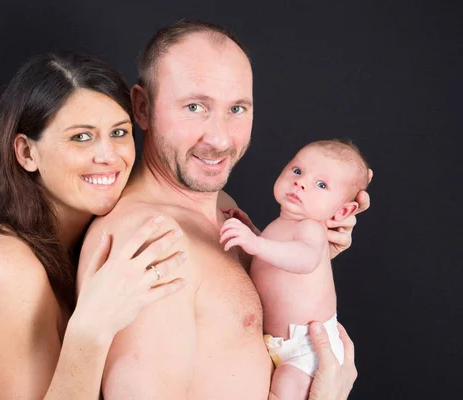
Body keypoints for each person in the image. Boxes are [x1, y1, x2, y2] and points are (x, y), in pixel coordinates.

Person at [77, 21, 370, 399]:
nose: (218, 138)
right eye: (195, 107)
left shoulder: (223, 208)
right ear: (143, 107)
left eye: (236, 109)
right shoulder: (149, 243)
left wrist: (316, 253)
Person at [0, 52, 189, 400]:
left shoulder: (89, 245)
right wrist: (91, 330)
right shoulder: (2, 265)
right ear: (27, 153)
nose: (109, 156)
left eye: (119, 132)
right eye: (81, 137)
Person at [220, 139, 370, 399]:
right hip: (284, 342)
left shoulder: (311, 229)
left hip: (307, 346)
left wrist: (255, 243)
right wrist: (251, 230)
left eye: (321, 185)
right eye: (298, 171)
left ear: (343, 210)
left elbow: (304, 259)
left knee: (286, 388)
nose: (301, 182)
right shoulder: (283, 224)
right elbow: (273, 257)